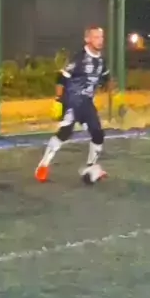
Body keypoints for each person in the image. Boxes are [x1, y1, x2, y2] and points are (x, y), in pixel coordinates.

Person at [35, 26, 112, 182]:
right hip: (72, 101)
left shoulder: (101, 61)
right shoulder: (78, 58)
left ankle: (90, 166)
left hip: (87, 103)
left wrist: (114, 93)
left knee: (98, 134)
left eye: (101, 37)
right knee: (65, 132)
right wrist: (58, 100)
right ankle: (43, 165)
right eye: (96, 37)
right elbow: (61, 79)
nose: (100, 40)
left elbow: (106, 78)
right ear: (87, 39)